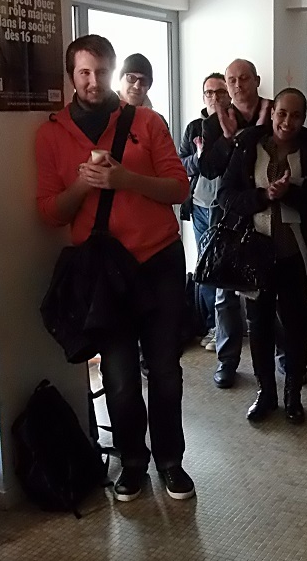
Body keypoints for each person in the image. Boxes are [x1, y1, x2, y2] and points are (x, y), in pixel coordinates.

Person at [36, 35, 194, 503]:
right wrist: (83, 186)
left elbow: (179, 188)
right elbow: (50, 212)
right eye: (84, 72)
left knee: (164, 370)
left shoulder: (146, 121)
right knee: (120, 378)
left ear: (113, 72)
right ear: (71, 75)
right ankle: (132, 462)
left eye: (101, 71)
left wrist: (127, 179)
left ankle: (171, 461)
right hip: (104, 274)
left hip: (158, 260)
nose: (93, 80)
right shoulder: (52, 134)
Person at [219, 88, 307, 424]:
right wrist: (263, 196)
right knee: (260, 325)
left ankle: (293, 395)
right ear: (272, 114)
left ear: (304, 118)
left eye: (296, 115)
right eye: (282, 113)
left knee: (297, 326)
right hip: (256, 253)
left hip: (295, 254)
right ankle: (265, 393)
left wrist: (289, 193)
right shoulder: (249, 146)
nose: (288, 122)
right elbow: (226, 196)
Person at [198, 59, 272, 389]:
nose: (238, 85)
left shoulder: (274, 111)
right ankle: (227, 361)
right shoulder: (215, 122)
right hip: (228, 215)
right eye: (232, 80)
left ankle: (282, 358)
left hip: (268, 211)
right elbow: (208, 169)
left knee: (271, 292)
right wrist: (228, 139)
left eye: (244, 78)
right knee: (224, 292)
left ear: (256, 80)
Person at [179, 73, 229, 350]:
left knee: (227, 264)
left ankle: (227, 326)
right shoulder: (194, 128)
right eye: (209, 92)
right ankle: (212, 326)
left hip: (226, 206)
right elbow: (181, 164)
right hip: (199, 205)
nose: (214, 97)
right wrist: (198, 158)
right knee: (206, 265)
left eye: (220, 92)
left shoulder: (233, 123)